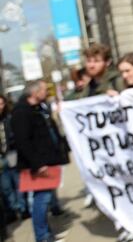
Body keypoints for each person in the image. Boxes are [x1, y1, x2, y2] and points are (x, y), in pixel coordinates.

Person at [12, 81, 69, 242]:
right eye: (44, 89)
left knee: (44, 198)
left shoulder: (36, 108)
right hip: (37, 165)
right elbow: (23, 141)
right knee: (41, 200)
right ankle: (42, 237)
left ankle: (47, 234)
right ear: (34, 92)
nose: (46, 92)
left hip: (45, 160)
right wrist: (38, 164)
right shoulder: (21, 112)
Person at [0, 94, 27, 222]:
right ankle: (13, 208)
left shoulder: (9, 118)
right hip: (0, 158)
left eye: (1, 104)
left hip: (11, 154)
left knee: (18, 182)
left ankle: (22, 208)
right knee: (6, 187)